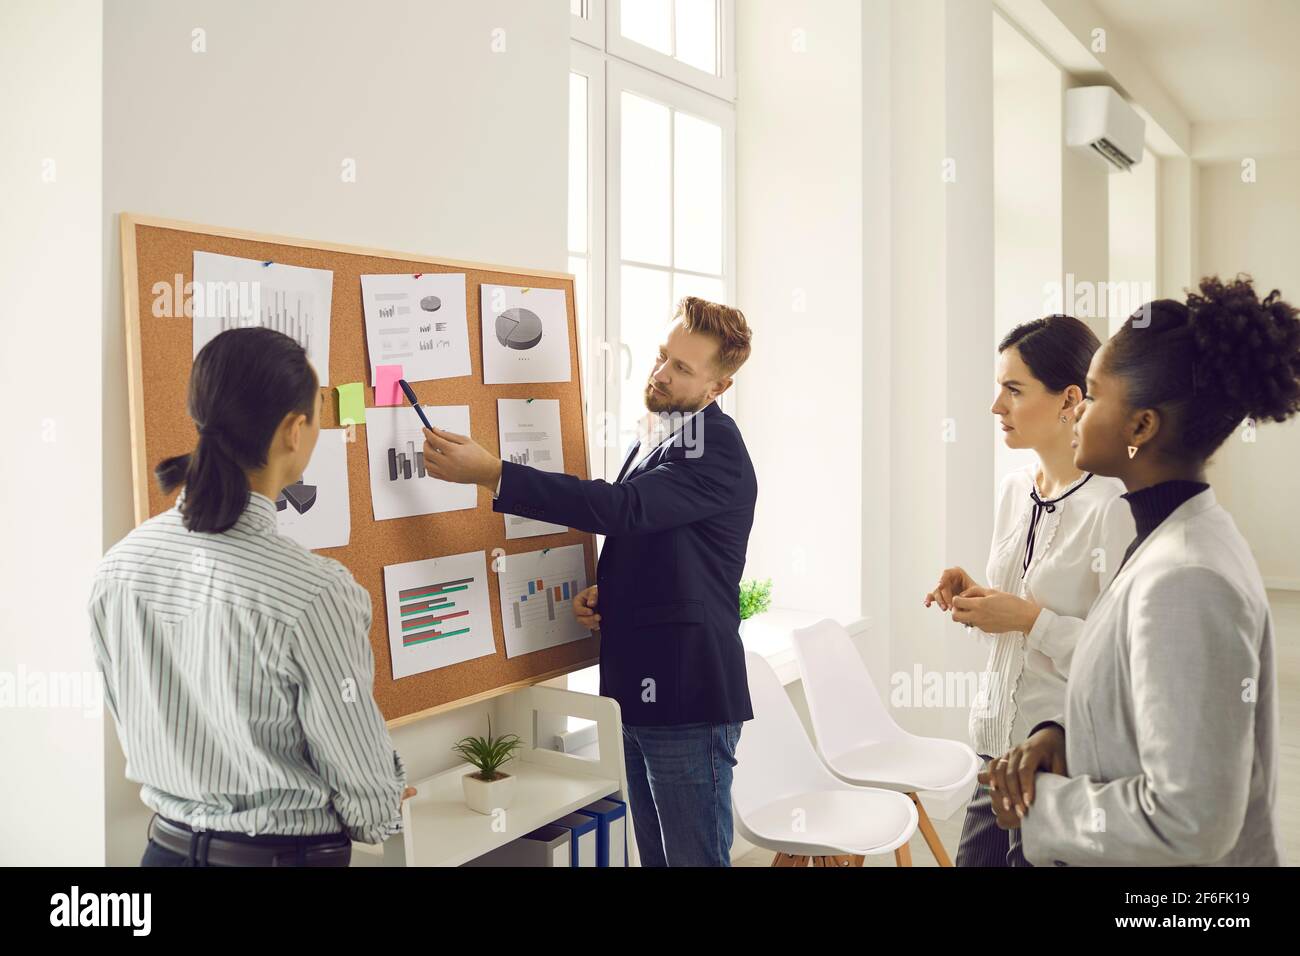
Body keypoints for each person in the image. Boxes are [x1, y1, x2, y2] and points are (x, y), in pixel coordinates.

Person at [421, 296, 757, 866]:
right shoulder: (663, 435)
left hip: (687, 698)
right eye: (661, 356)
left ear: (716, 389)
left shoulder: (717, 449)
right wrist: (617, 594)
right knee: (655, 859)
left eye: (682, 368)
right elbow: (661, 540)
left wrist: (494, 473)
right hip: (636, 691)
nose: (660, 373)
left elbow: (621, 508)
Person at [982, 276, 1297, 866]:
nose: (1078, 414)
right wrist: (1063, 736)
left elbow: (1192, 821)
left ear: (1141, 427)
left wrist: (1044, 806)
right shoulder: (1163, 539)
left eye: (1094, 398)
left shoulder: (1189, 578)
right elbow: (1147, 702)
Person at [89, 327, 413, 867]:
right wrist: (382, 799)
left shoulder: (118, 567)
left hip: (162, 852)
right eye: (318, 412)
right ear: (293, 430)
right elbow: (368, 799)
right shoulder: (315, 593)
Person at [924, 315, 1134, 866]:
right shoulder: (1014, 491)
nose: (997, 407)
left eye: (1013, 390)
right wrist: (978, 599)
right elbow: (1018, 610)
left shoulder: (1113, 507)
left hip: (1060, 762)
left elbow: (1122, 660)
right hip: (994, 747)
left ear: (1070, 399)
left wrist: (1027, 619)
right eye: (999, 389)